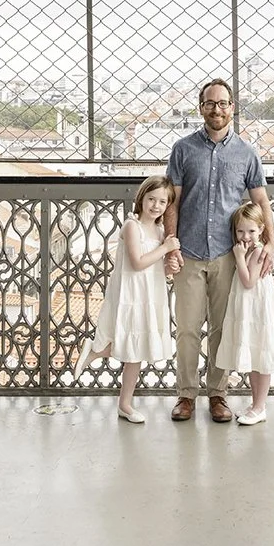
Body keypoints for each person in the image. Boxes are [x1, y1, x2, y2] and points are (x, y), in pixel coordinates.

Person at [163, 78, 274, 423]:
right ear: (201, 108)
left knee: (223, 328)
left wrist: (270, 241)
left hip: (230, 254)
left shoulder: (247, 153)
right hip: (190, 252)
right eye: (210, 103)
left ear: (233, 107)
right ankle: (186, 394)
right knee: (187, 329)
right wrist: (171, 245)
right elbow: (173, 203)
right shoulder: (182, 149)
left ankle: (218, 394)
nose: (217, 109)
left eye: (223, 103)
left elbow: (260, 200)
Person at [73, 175, 182, 423]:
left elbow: (157, 269)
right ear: (141, 198)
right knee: (131, 343)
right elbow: (138, 262)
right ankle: (97, 351)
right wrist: (165, 249)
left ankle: (124, 403)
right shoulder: (132, 226)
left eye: (162, 202)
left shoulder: (160, 230)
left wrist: (169, 266)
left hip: (150, 293)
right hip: (132, 292)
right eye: (151, 199)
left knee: (137, 350)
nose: (156, 206)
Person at [214, 201, 274, 425]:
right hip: (248, 309)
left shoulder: (256, 252)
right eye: (240, 231)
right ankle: (255, 404)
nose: (245, 236)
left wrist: (238, 257)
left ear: (261, 230)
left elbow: (248, 282)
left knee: (262, 356)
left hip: (257, 310)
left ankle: (260, 406)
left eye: (251, 231)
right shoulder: (248, 249)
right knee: (254, 355)